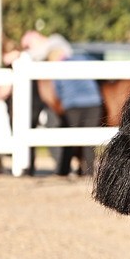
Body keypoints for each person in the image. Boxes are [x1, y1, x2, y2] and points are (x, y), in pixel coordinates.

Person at [26, 32, 103, 177]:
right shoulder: (81, 58)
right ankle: (90, 173)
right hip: (94, 103)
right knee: (89, 141)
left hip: (74, 105)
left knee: (70, 140)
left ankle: (63, 170)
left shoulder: (56, 68)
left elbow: (59, 91)